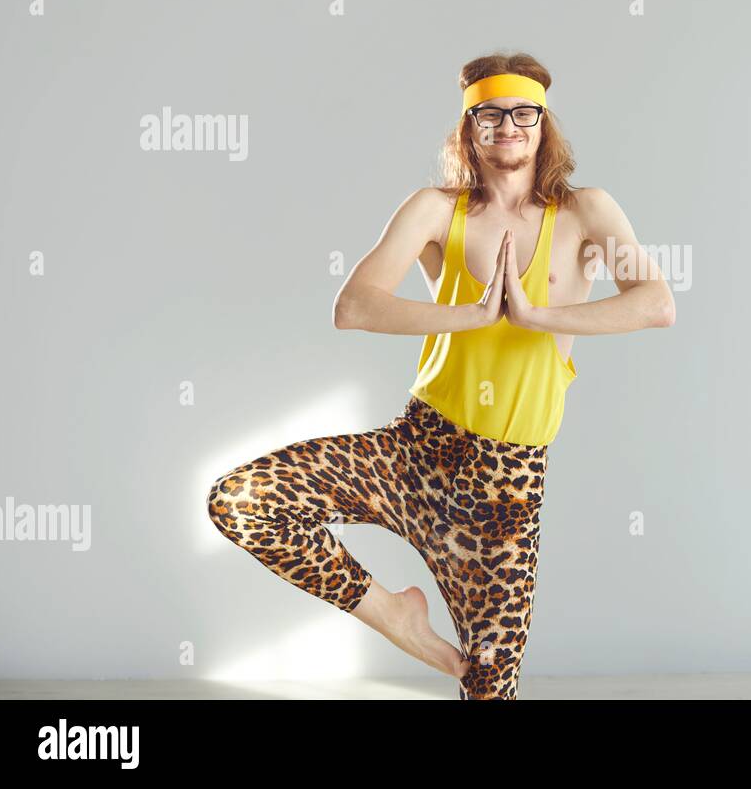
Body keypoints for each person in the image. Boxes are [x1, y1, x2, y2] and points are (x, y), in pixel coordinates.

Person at [206, 52, 676, 699]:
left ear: (543, 125)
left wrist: (536, 314)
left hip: (506, 493)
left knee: (489, 686)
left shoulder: (587, 212)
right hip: (418, 450)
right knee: (245, 501)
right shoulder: (435, 210)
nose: (507, 125)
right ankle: (398, 617)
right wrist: (473, 313)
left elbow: (656, 303)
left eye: (522, 113)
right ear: (468, 128)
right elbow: (353, 306)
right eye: (489, 114)